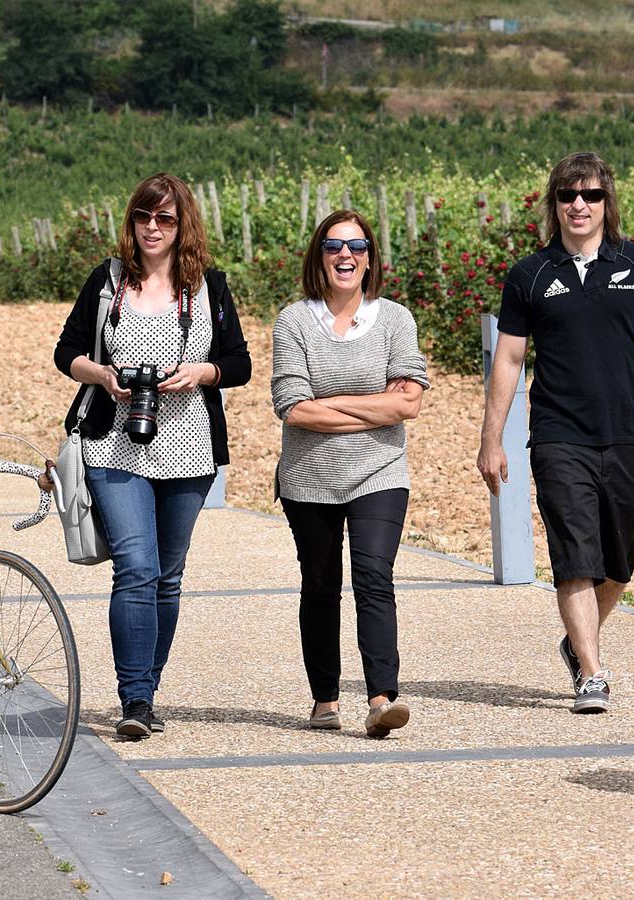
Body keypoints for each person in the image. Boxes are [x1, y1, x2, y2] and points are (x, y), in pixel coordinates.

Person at [476, 152, 634, 714]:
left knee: (620, 558)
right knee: (575, 553)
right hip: (558, 434)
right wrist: (491, 438)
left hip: (625, 432)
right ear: (554, 205)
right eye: (568, 196)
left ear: (607, 202)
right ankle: (592, 672)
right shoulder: (530, 274)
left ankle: (577, 640)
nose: (579, 205)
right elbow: (508, 360)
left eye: (591, 195)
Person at [54, 173, 252, 739]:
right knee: (135, 567)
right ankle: (134, 700)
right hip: (112, 441)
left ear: (182, 223)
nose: (152, 229)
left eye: (165, 219)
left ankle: (149, 686)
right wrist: (101, 375)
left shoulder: (208, 284)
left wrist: (202, 372)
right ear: (132, 221)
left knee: (168, 575)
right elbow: (65, 350)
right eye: (144, 217)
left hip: (188, 445)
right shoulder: (107, 280)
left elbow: (238, 363)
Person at [271, 210, 429, 738]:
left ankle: (382, 698)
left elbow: (408, 406)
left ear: (370, 258)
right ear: (319, 256)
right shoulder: (293, 321)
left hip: (381, 472)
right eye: (335, 246)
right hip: (308, 476)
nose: (346, 255)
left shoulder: (395, 319)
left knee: (373, 577)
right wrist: (374, 402)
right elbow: (294, 409)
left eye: (357, 246)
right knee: (320, 584)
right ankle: (325, 699)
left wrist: (332, 402)